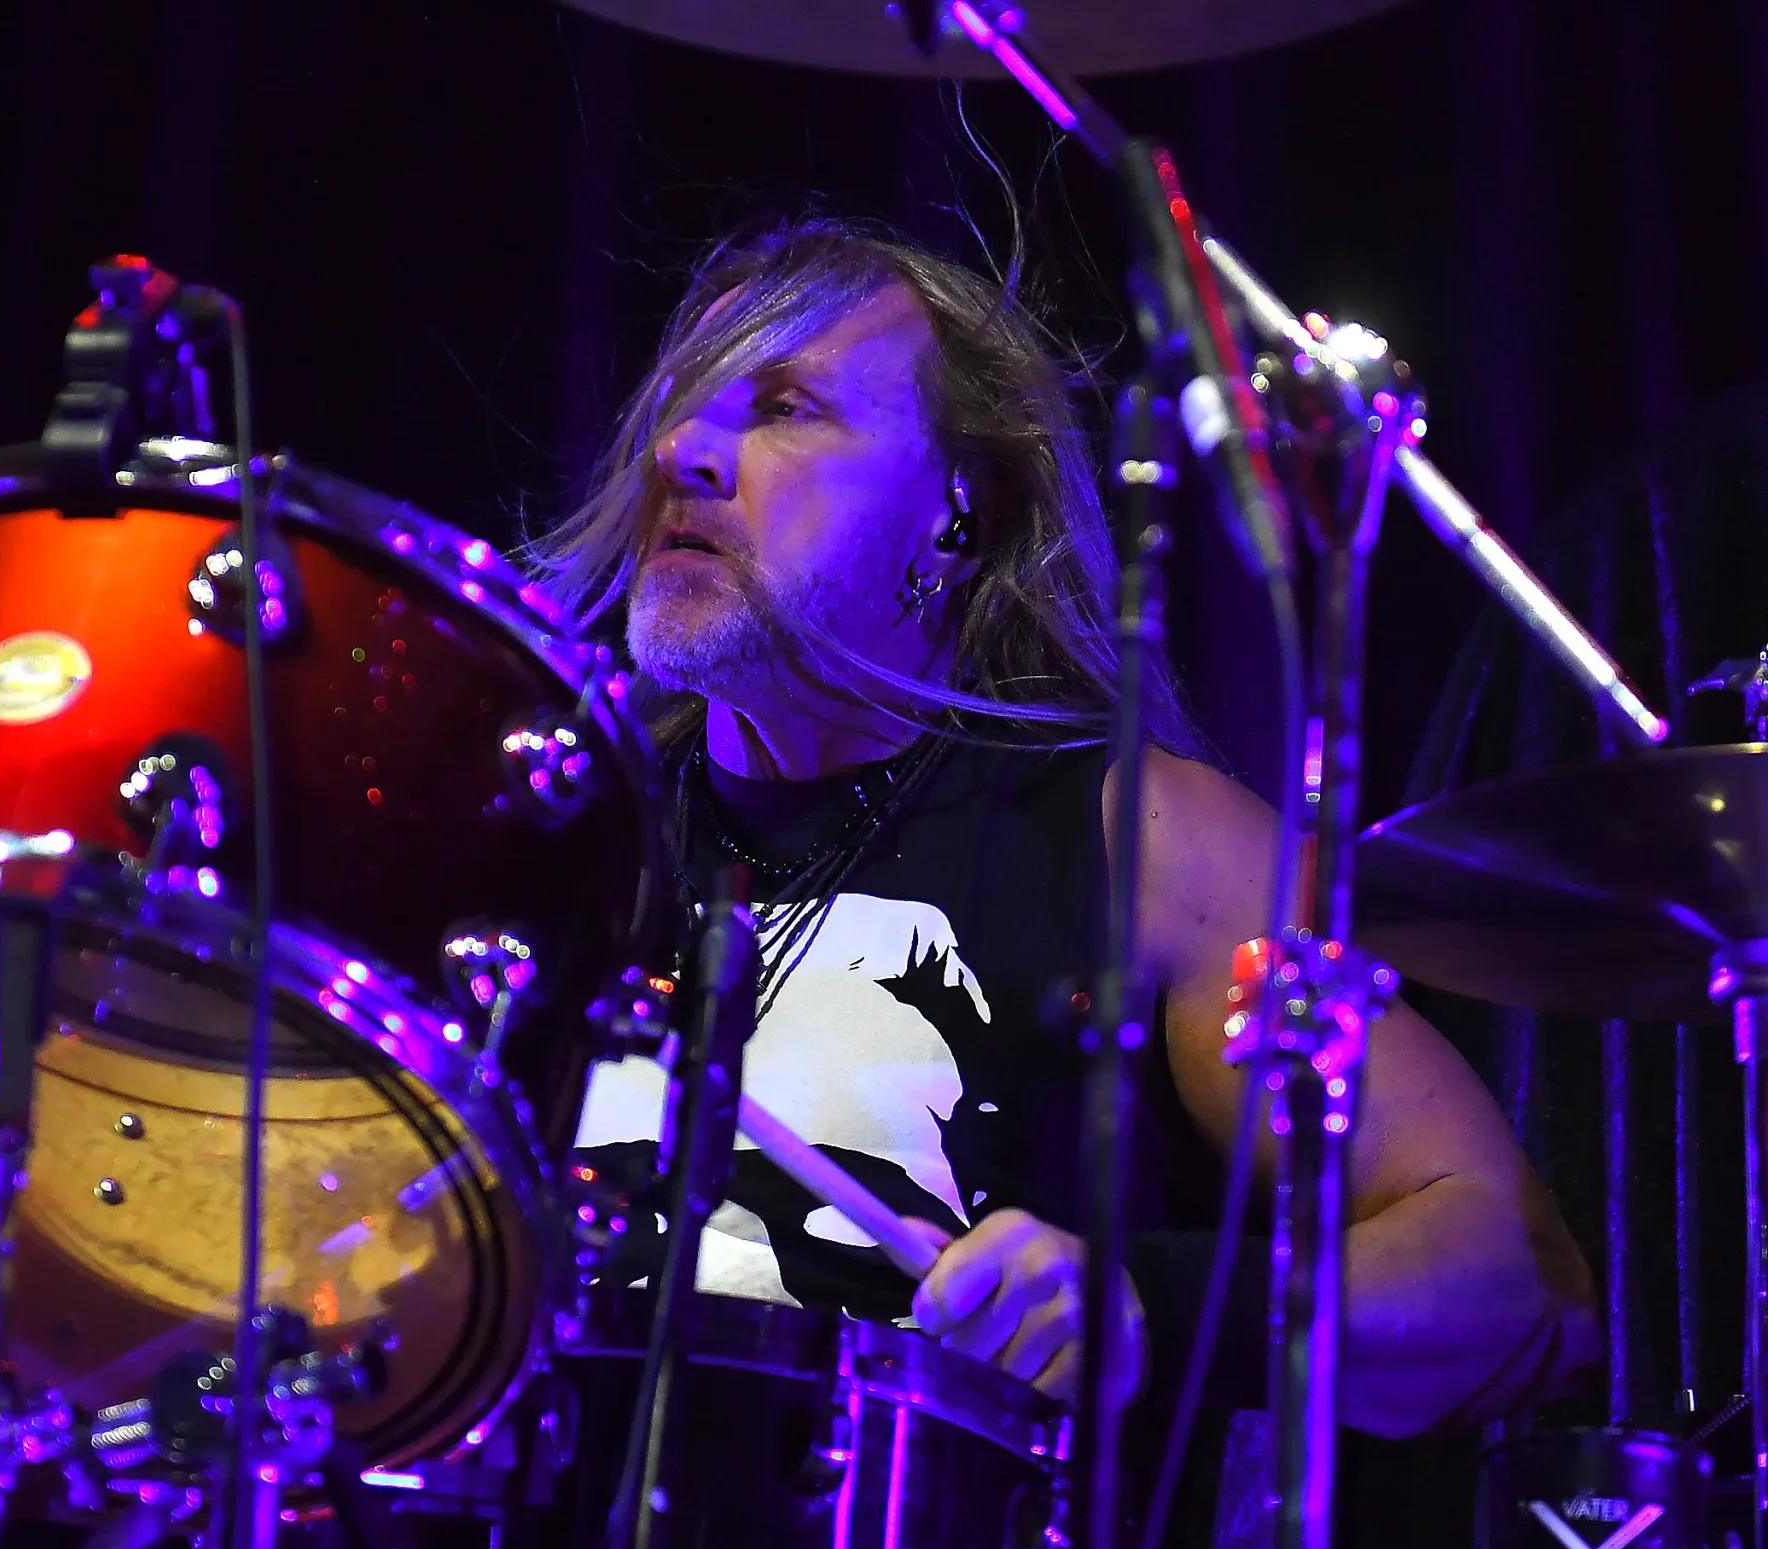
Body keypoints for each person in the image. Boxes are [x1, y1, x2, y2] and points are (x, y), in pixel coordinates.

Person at [541, 219, 1596, 1452]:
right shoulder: (557, 837)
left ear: (957, 514)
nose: (680, 452)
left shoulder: (1142, 840)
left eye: (784, 408)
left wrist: (1145, 1300)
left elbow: (1518, 1277)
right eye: (679, 403)